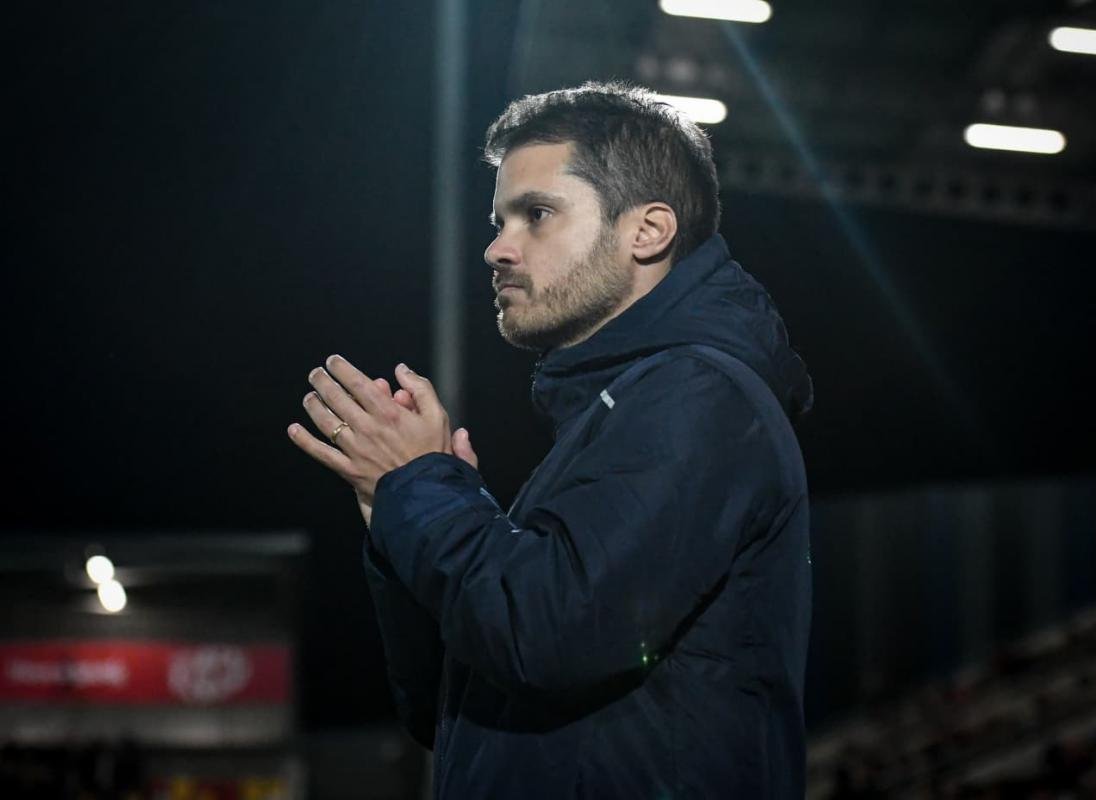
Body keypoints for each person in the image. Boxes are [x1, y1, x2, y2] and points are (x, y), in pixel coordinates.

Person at [288, 81, 814, 798]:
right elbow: (449, 708)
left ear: (648, 231)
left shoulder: (700, 396)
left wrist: (423, 489)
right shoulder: (622, 408)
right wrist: (401, 515)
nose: (497, 249)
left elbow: (551, 633)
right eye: (499, 220)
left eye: (536, 215)